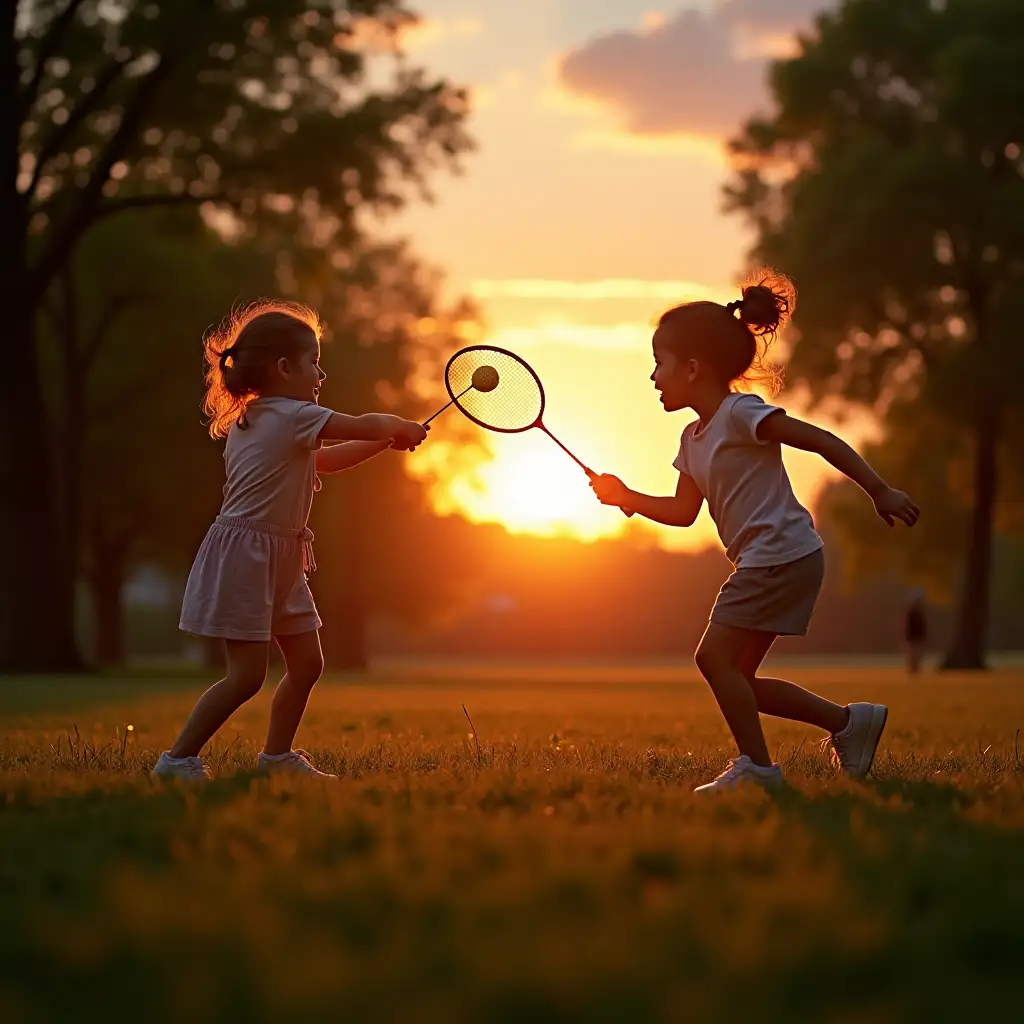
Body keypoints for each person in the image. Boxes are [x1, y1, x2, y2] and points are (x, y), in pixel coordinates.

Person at [590, 271, 919, 793]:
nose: (654, 377)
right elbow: (681, 512)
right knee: (736, 678)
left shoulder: (741, 414)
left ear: (693, 369)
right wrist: (627, 497)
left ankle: (759, 770)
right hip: (772, 559)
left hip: (780, 555)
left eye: (660, 364)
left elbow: (820, 440)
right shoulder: (692, 439)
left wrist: (878, 490)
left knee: (712, 660)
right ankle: (850, 724)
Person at [152, 301, 427, 780]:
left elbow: (331, 459)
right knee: (245, 677)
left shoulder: (263, 420)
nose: (321, 374)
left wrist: (389, 440)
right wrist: (394, 426)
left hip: (280, 556)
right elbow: (362, 422)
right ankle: (176, 760)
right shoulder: (292, 415)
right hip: (248, 556)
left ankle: (277, 759)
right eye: (313, 363)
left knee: (306, 663)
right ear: (284, 368)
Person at [904, 588, 927, 675]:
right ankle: (913, 670)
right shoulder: (911, 614)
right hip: (912, 638)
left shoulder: (919, 614)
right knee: (912, 656)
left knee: (917, 656)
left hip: (917, 638)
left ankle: (916, 670)